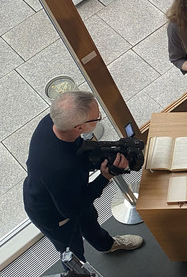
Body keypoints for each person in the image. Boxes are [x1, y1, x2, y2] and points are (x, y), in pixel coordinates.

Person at [23, 91, 143, 264]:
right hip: (54, 214)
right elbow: (72, 209)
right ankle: (79, 274)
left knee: (90, 222)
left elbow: (78, 152)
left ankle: (107, 245)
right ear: (79, 127)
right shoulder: (61, 168)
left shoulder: (51, 121)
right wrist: (106, 176)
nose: (99, 118)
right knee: (71, 251)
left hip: (68, 191)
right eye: (97, 118)